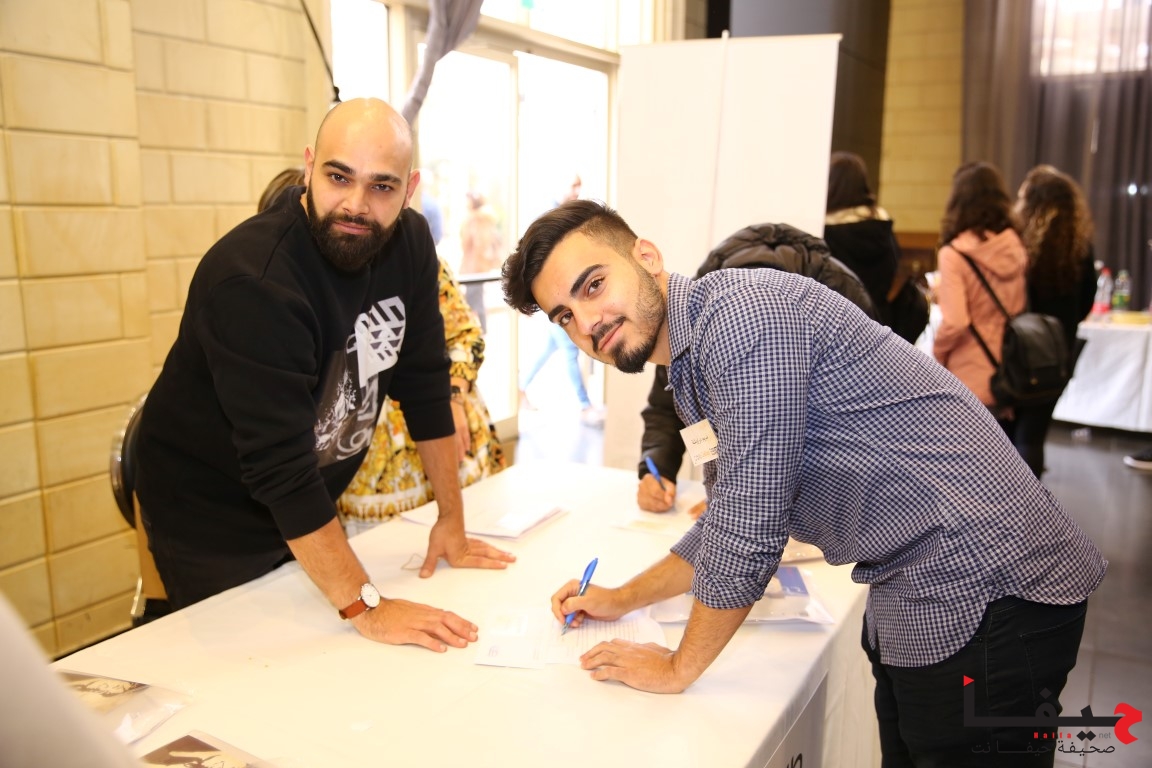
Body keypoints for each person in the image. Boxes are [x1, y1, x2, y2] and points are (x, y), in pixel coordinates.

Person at [501, 200, 1106, 764]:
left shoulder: (741, 319)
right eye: (565, 316)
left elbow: (751, 526)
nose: (587, 322)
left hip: (984, 585)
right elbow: (731, 514)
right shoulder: (693, 358)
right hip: (922, 590)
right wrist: (621, 598)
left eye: (593, 285)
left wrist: (677, 666)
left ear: (647, 257)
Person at [135, 98, 514, 652]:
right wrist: (369, 607)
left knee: (333, 659)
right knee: (254, 668)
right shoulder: (256, 281)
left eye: (381, 186)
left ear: (409, 191)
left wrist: (451, 522)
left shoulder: (408, 241)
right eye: (339, 177)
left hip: (305, 499)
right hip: (212, 515)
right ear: (309, 167)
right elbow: (281, 470)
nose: (356, 205)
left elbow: (425, 382)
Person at [256, 170, 507, 531]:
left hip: (441, 439)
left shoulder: (410, 258)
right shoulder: (284, 286)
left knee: (464, 541)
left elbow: (466, 334)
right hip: (357, 467)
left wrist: (452, 397)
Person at [637, 222, 876, 516]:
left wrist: (744, 500)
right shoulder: (691, 310)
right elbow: (666, 406)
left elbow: (861, 419)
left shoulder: (839, 293)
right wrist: (657, 468)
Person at [1012, 165, 1098, 476]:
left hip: (1022, 348)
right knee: (1034, 435)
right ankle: (1031, 498)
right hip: (1059, 350)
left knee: (1011, 432)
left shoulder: (1019, 245)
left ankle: (1007, 497)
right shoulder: (1079, 246)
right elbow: (1088, 299)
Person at [932, 162, 1027, 427]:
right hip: (1008, 371)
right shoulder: (1014, 246)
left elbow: (956, 321)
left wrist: (937, 352)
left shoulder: (954, 254)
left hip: (968, 374)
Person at [518, 172, 604, 426]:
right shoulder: (547, 219)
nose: (577, 191)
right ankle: (584, 404)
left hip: (567, 297)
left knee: (551, 348)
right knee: (569, 350)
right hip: (556, 300)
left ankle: (520, 387)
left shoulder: (571, 216)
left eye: (580, 186)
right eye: (573, 185)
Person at [822, 151, 900, 327]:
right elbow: (894, 269)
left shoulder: (823, 233)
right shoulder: (881, 226)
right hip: (878, 322)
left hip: (836, 323)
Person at [458, 191, 504, 332]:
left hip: (474, 267)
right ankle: (481, 330)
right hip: (479, 265)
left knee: (473, 300)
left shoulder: (475, 220)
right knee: (476, 299)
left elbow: (472, 243)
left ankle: (480, 331)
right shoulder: (485, 219)